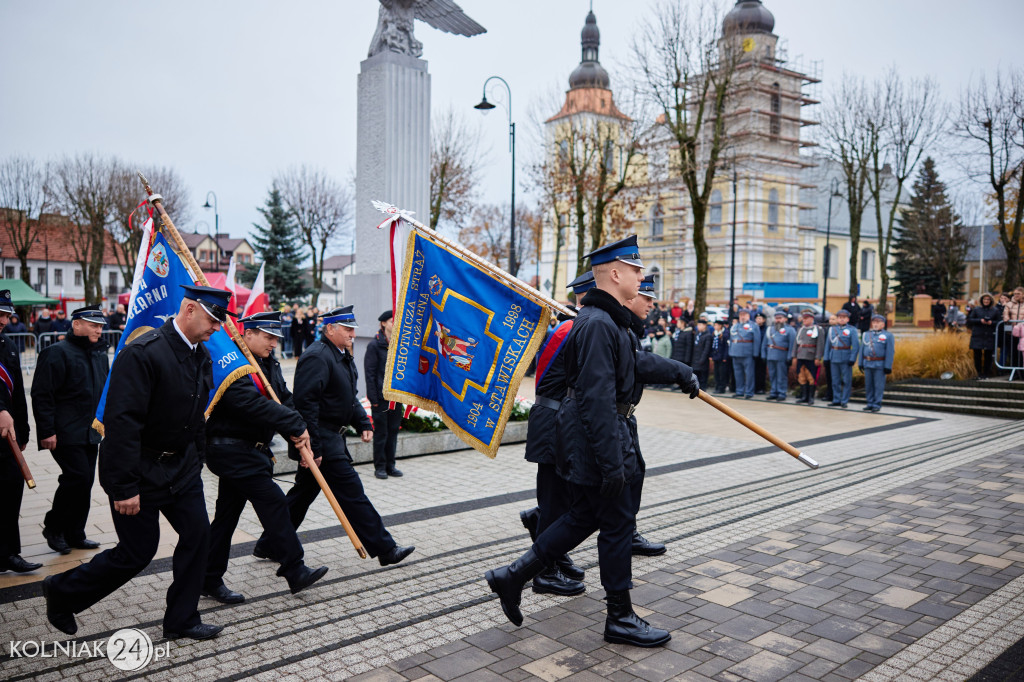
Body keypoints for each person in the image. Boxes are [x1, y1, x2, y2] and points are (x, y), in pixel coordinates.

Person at [485, 236, 696, 648]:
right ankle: (619, 617)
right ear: (615, 274)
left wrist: (677, 370)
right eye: (636, 270)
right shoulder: (599, 324)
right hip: (601, 437)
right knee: (615, 526)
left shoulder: (606, 321)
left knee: (583, 517)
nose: (642, 277)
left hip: (598, 436)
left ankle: (511, 576)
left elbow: (633, 362)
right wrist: (611, 462)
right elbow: (596, 398)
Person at [43, 285, 233, 640]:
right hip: (140, 470)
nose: (217, 327)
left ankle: (182, 620)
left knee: (197, 535)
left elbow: (195, 414)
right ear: (189, 309)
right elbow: (122, 423)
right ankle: (62, 591)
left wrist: (198, 459)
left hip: (182, 468)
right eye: (212, 318)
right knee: (136, 553)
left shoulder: (200, 354)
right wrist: (124, 487)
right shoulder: (143, 353)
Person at [254, 305, 414, 567]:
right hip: (323, 440)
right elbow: (306, 405)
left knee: (301, 495)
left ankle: (268, 543)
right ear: (330, 329)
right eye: (348, 329)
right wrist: (313, 448)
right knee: (352, 492)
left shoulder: (340, 353)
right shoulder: (317, 356)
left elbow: (346, 396)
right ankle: (385, 548)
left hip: (331, 438)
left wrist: (362, 420)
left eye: (353, 329)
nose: (353, 334)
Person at [203, 311, 328, 604]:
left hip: (250, 451)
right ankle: (294, 568)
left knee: (226, 518)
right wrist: (295, 425)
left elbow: (283, 399)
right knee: (273, 501)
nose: (274, 343)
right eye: (268, 336)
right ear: (248, 334)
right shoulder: (232, 362)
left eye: (276, 338)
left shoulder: (267, 362)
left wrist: (300, 438)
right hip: (231, 450)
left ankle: (207, 578)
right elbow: (249, 403)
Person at [519, 272, 596, 599]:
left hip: (554, 419)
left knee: (559, 498)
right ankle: (544, 570)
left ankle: (550, 545)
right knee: (555, 501)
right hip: (554, 422)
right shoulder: (573, 328)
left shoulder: (572, 326)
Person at [31, 305, 109, 555]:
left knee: (85, 481)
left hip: (90, 431)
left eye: (100, 326)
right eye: (94, 325)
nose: (99, 329)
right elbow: (42, 395)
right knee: (75, 478)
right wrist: (46, 431)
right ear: (77, 325)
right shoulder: (56, 353)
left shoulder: (99, 354)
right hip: (65, 431)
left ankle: (76, 533)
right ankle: (54, 528)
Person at [0, 290, 36, 574]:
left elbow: (17, 396)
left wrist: (23, 432)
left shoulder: (9, 345)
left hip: (8, 436)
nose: (3, 319)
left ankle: (10, 553)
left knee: (12, 491)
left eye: (6, 315)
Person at [365, 310, 404, 479]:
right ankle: (379, 466)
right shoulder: (375, 345)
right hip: (380, 398)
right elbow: (370, 374)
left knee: (393, 431)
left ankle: (390, 465)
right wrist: (373, 399)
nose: (394, 324)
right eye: (391, 321)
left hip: (396, 396)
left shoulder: (398, 345)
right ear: (383, 324)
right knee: (381, 433)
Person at [859, 314, 894, 412]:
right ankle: (869, 403)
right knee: (869, 385)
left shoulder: (888, 336)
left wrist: (888, 366)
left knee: (878, 385)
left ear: (883, 324)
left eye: (878, 322)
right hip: (867, 363)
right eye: (874, 322)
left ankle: (877, 404)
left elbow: (890, 352)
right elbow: (862, 349)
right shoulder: (866, 334)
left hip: (879, 364)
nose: (875, 324)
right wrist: (860, 362)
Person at [824, 308, 859, 408]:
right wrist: (826, 358)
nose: (841, 319)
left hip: (846, 357)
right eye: (839, 317)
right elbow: (828, 345)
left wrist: (853, 358)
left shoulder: (852, 330)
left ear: (848, 319)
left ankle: (844, 400)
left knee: (846, 381)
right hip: (834, 357)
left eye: (844, 318)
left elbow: (855, 346)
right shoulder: (832, 329)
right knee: (835, 380)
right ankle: (836, 399)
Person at [792, 310, 825, 406]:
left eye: (807, 318)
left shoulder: (818, 329)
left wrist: (818, 357)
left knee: (811, 378)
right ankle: (804, 396)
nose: (805, 320)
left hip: (811, 356)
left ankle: (811, 397)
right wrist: (794, 356)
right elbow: (795, 343)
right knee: (802, 377)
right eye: (804, 318)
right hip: (801, 355)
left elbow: (820, 344)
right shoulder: (800, 329)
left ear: (812, 319)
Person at [762, 310, 794, 401]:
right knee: (772, 375)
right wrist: (764, 355)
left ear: (785, 319)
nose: (778, 320)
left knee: (781, 376)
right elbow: (764, 343)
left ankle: (781, 393)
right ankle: (773, 392)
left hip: (782, 356)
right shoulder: (770, 329)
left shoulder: (790, 330)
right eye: (776, 318)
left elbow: (792, 345)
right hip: (770, 355)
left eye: (780, 318)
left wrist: (789, 357)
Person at [966, 293, 1000, 380]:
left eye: (988, 299)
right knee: (977, 356)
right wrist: (980, 320)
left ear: (991, 301)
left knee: (988, 356)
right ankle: (979, 373)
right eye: (985, 299)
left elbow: (999, 321)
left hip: (989, 335)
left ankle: (986, 374)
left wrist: (991, 322)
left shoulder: (995, 310)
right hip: (978, 335)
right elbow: (970, 320)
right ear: (981, 300)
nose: (986, 301)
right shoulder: (976, 309)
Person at [729, 308, 760, 399]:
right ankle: (739, 391)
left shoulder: (753, 326)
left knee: (749, 374)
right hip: (735, 352)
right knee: (738, 374)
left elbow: (757, 340)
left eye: (744, 315)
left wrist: (755, 353)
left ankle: (749, 392)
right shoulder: (735, 326)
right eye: (740, 315)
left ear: (748, 316)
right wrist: (730, 351)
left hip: (747, 353)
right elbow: (731, 339)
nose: (742, 316)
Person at [1002, 288, 1024, 372]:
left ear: (1023, 294)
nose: (1016, 295)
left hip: (1023, 333)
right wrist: (1006, 318)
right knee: (1013, 352)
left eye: (1018, 294)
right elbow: (1005, 313)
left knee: (1022, 353)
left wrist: (1021, 323)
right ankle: (1015, 372)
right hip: (1012, 332)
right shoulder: (1009, 304)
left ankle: (1022, 372)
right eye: (1015, 294)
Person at [689, 317, 712, 390]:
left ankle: (703, 388)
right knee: (696, 375)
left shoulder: (708, 335)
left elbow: (706, 349)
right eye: (698, 325)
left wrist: (702, 359)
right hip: (695, 357)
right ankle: (695, 387)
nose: (698, 327)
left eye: (700, 325)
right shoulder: (697, 334)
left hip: (702, 359)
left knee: (703, 375)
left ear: (704, 325)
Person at [711, 319, 730, 394]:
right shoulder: (714, 333)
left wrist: (725, 357)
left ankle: (722, 388)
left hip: (722, 357)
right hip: (716, 356)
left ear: (720, 326)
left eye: (716, 325)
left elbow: (726, 347)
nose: (715, 326)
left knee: (722, 373)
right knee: (717, 373)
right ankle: (717, 386)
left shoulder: (725, 334)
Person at [753, 312, 768, 394]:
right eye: (757, 318)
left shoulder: (766, 329)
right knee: (754, 371)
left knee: (761, 372)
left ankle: (762, 388)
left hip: (762, 353)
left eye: (760, 318)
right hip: (754, 353)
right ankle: (755, 388)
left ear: (764, 320)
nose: (758, 320)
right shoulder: (753, 328)